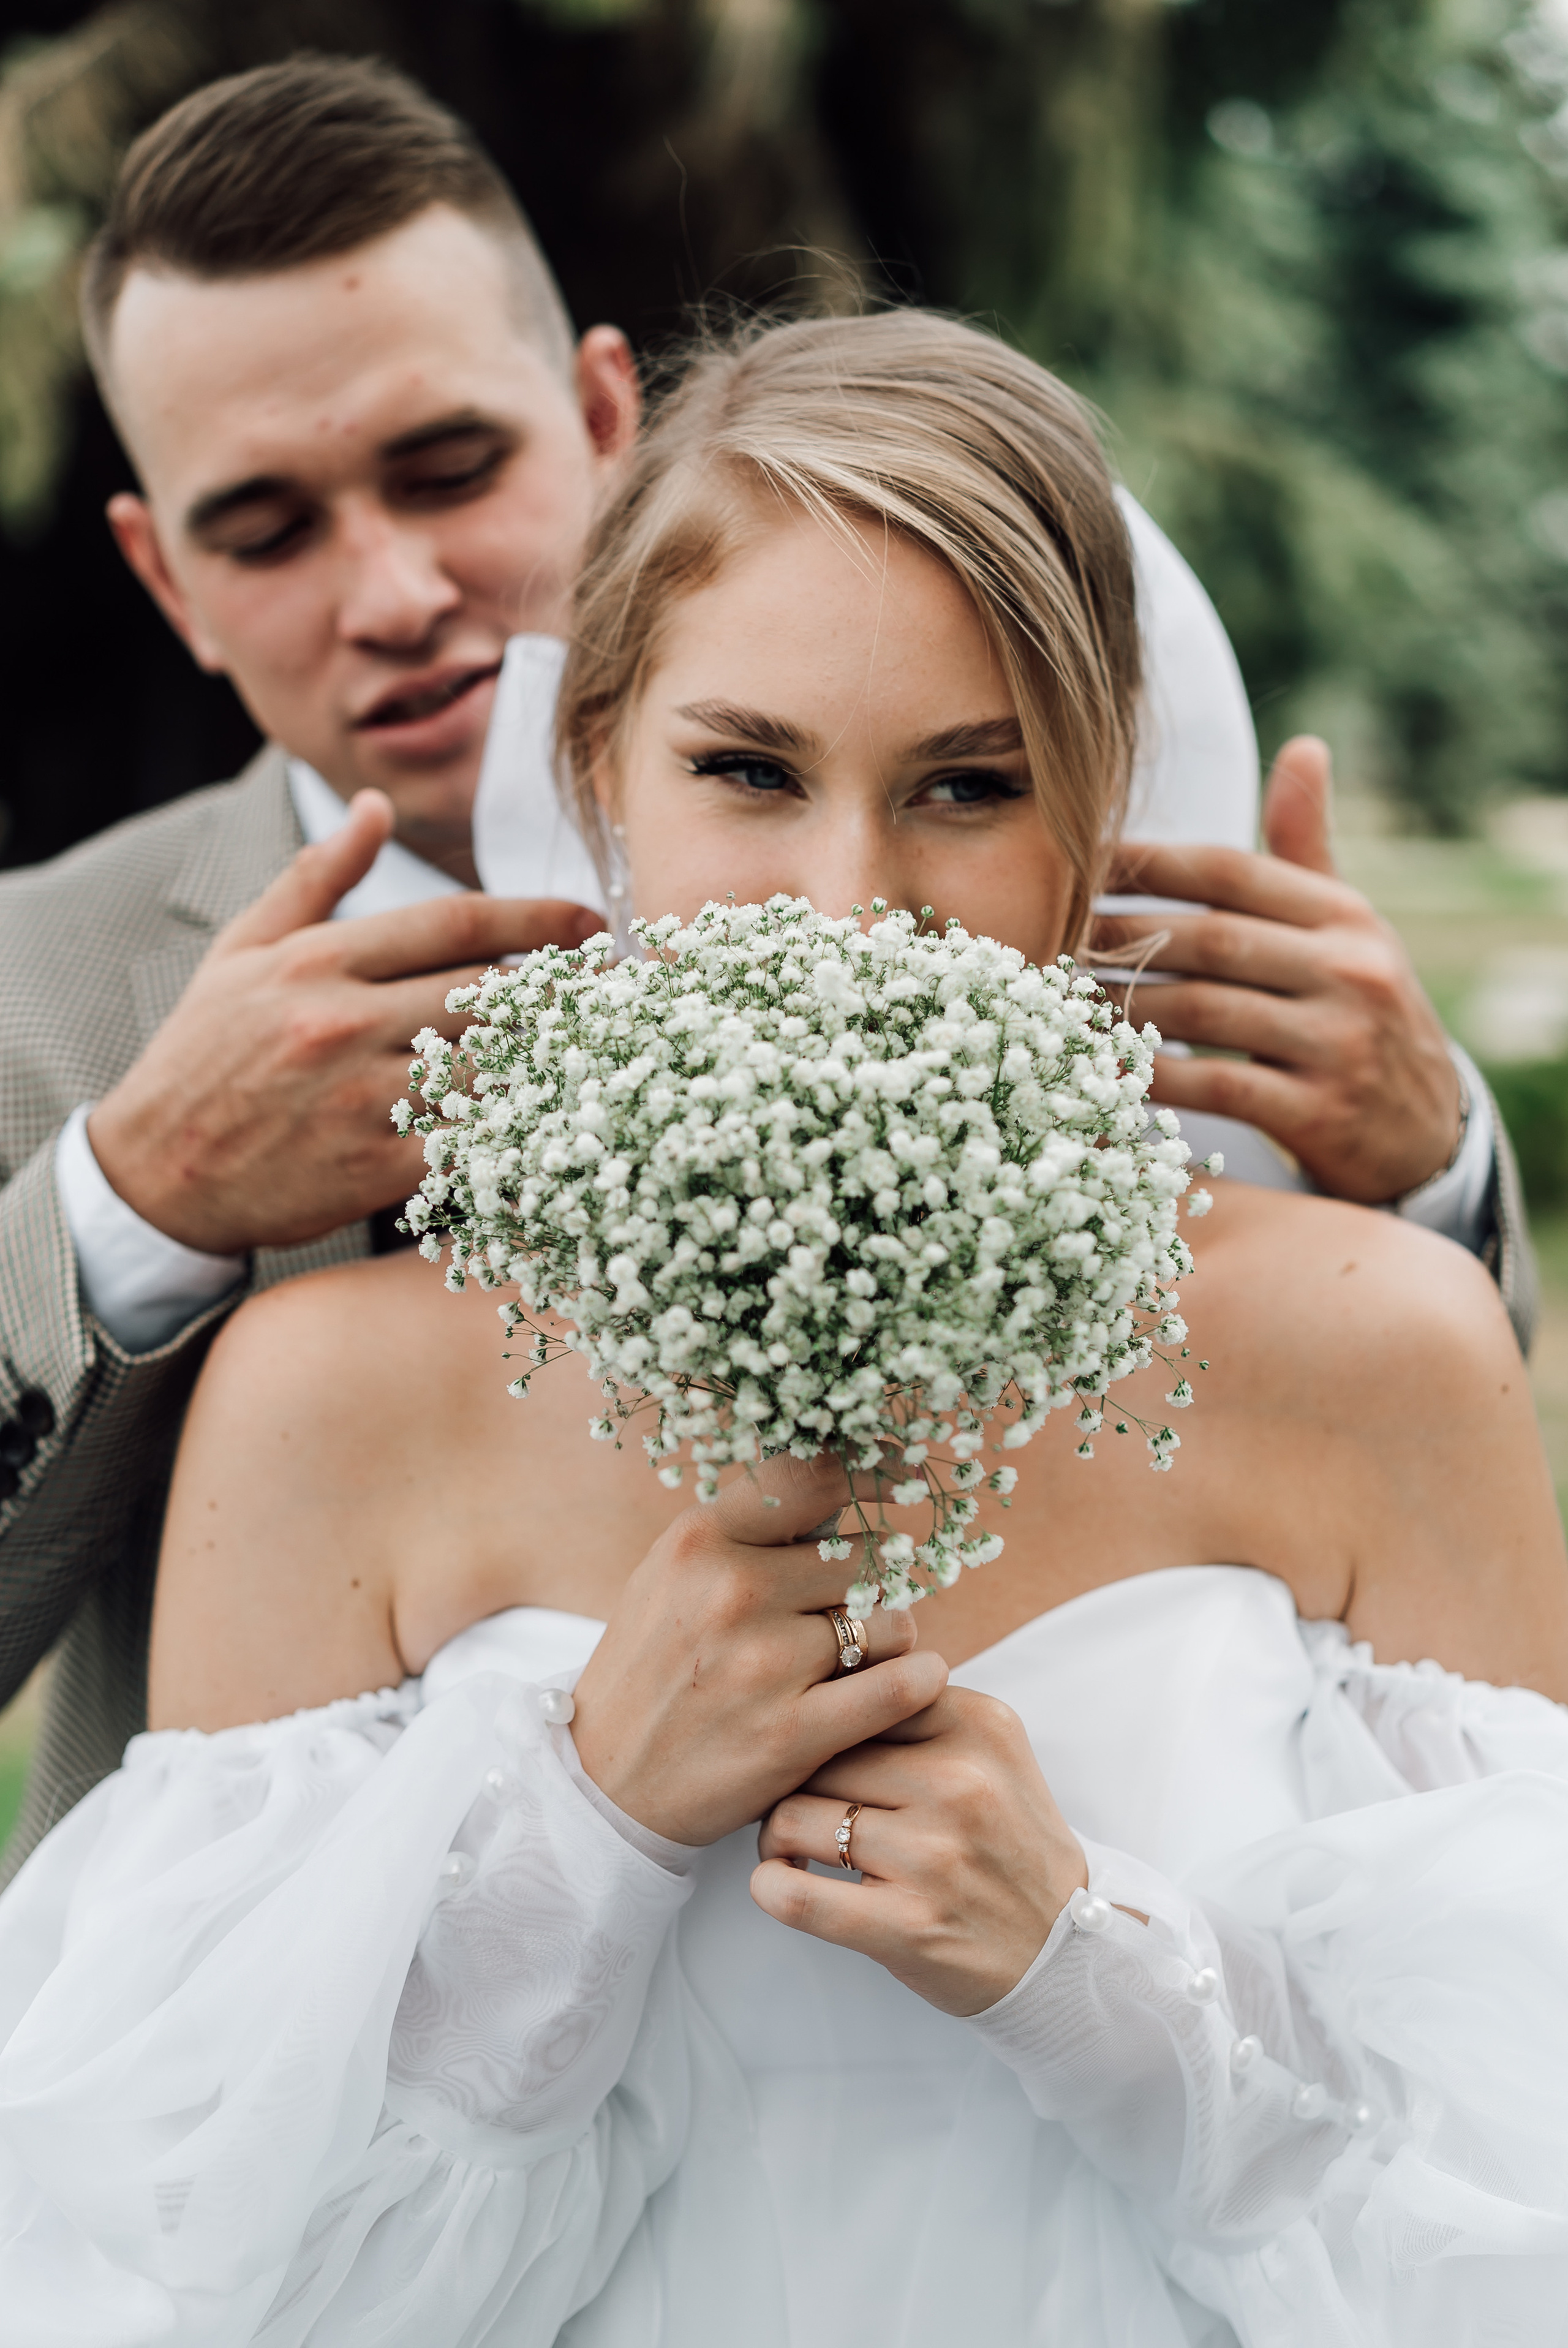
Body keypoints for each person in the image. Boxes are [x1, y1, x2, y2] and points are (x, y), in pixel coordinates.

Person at [1, 309, 1564, 2346]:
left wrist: (1097, 1973)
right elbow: (184, 2268)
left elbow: (1509, 2218)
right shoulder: (330, 1392)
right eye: (748, 768)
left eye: (969, 786)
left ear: (1094, 812)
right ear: (598, 774)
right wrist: (585, 1832)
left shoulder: (1388, 1350)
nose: (850, 895)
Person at [0, 55, 1529, 1882]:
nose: (391, 586)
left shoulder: (1040, 910)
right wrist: (132, 1207)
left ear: (600, 421)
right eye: (268, 528)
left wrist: (1431, 1166)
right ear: (164, 576)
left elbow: (1373, 1469)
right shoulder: (44, 986)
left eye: (449, 465)